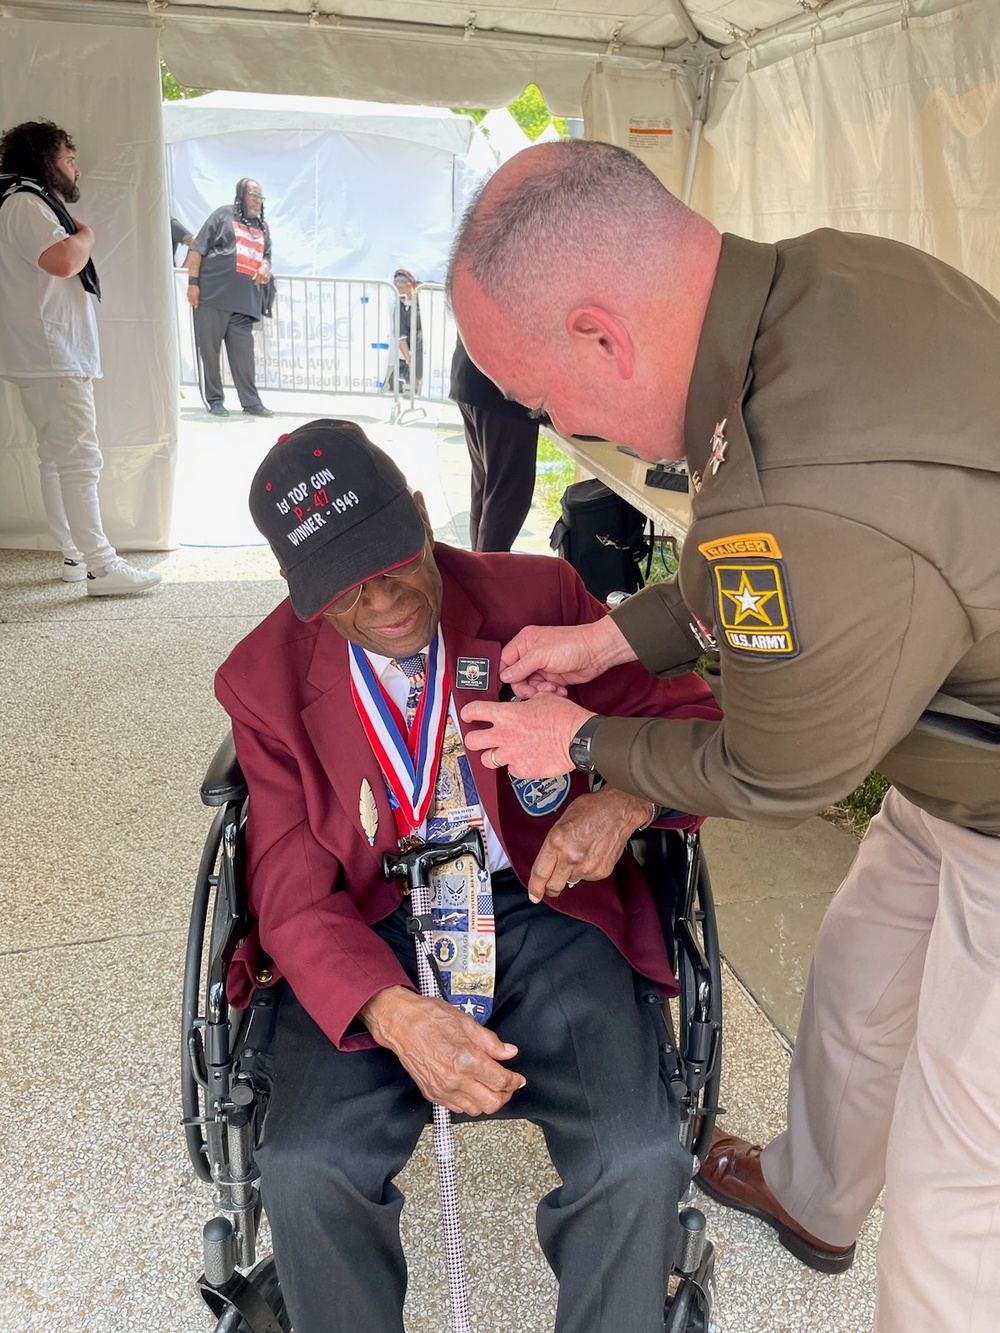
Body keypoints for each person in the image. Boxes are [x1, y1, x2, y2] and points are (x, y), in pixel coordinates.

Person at [447, 139, 1000, 1333]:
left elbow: (779, 768)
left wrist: (581, 742)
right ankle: (811, 1197)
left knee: (966, 1165)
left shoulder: (798, 495)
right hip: (956, 747)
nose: (559, 427)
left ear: (603, 336)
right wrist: (612, 640)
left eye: (546, 402)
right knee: (859, 968)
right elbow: (746, 538)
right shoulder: (828, 281)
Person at [215, 418, 720, 1333]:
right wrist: (394, 1012)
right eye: (345, 587)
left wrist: (626, 798)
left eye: (392, 557)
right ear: (302, 595)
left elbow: (692, 720)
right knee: (307, 1166)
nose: (384, 602)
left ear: (418, 513)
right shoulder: (263, 679)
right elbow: (289, 890)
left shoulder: (540, 593)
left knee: (639, 1158)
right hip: (369, 934)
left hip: (543, 906)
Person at [0, 120, 161, 596]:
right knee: (78, 460)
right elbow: (63, 261)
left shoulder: (15, 198)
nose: (77, 169)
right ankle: (101, 565)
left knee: (57, 459)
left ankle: (75, 555)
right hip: (52, 354)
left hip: (43, 352)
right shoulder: (26, 202)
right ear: (45, 161)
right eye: (69, 159)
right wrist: (86, 234)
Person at [187, 178, 274, 418]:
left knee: (244, 356)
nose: (258, 200)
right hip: (212, 297)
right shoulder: (222, 215)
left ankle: (251, 402)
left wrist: (266, 267)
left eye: (261, 196)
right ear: (241, 194)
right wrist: (193, 284)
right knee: (210, 352)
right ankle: (214, 400)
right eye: (254, 194)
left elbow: (266, 256)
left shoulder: (262, 227)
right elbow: (197, 249)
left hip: (245, 302)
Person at [450, 336, 539, 552]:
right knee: (505, 499)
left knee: (487, 490)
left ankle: (478, 569)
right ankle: (484, 576)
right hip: (504, 384)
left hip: (473, 370)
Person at [393, 266, 422, 393]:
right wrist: (409, 360)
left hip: (435, 332)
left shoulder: (427, 293)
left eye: (403, 296)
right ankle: (418, 386)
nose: (401, 299)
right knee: (419, 340)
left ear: (411, 286)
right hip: (415, 340)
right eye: (399, 297)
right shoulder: (399, 307)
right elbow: (401, 339)